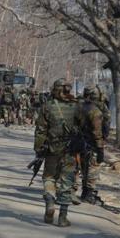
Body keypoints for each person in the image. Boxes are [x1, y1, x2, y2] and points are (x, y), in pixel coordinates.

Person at [33, 78, 81, 227]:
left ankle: (49, 202)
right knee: (66, 181)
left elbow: (41, 130)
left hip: (52, 148)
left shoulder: (48, 106)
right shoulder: (77, 106)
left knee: (49, 177)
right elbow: (83, 128)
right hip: (71, 150)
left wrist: (38, 149)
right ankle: (62, 218)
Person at [76, 86, 105, 204]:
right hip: (90, 143)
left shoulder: (77, 106)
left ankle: (84, 192)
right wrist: (100, 148)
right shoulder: (95, 111)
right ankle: (89, 194)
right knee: (93, 167)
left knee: (82, 167)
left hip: (77, 141)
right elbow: (97, 131)